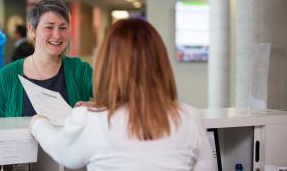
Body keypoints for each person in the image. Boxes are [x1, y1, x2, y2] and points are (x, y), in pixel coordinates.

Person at [29, 18, 214, 171]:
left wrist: (38, 124)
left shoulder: (91, 119)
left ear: (107, 64)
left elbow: (62, 152)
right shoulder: (189, 117)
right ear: (160, 63)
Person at [0, 0, 92, 118]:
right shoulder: (6, 77)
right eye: (49, 27)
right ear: (32, 30)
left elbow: (117, 99)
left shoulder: (80, 71)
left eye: (63, 28)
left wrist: (94, 107)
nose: (57, 35)